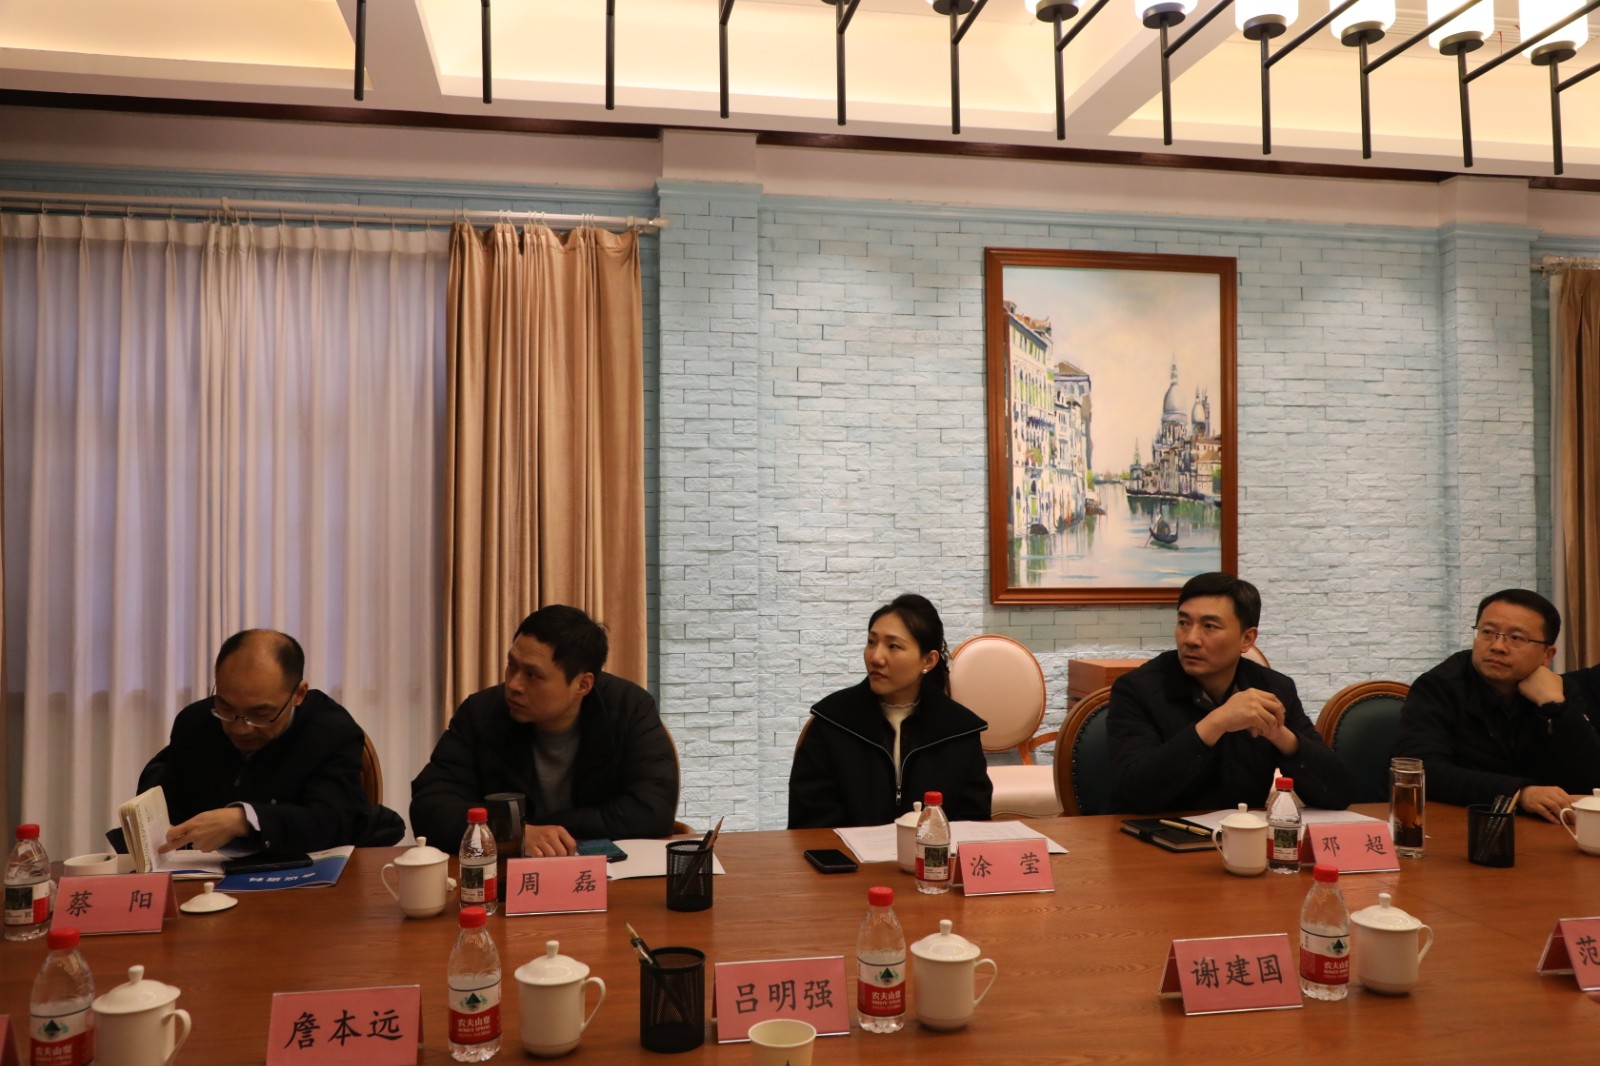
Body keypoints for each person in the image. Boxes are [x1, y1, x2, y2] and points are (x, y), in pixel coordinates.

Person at [410, 605, 678, 856]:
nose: (513, 685)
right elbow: (430, 806)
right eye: (512, 665)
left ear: (582, 685)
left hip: (605, 872)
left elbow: (653, 810)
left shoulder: (629, 709)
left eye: (532, 675)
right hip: (506, 874)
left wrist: (545, 828)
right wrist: (516, 833)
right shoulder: (481, 713)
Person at [139, 629, 403, 855]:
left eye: (260, 714)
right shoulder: (195, 722)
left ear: (298, 694)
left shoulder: (331, 731)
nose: (240, 728)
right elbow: (169, 807)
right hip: (205, 881)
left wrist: (243, 820)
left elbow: (331, 820)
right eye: (226, 708)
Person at [1107, 572, 1350, 814]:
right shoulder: (1137, 689)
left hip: (1242, 835)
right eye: (1183, 623)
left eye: (1209, 626)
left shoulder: (1274, 688)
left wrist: (1280, 735)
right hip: (1154, 834)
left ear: (1247, 639)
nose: (1191, 639)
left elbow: (1339, 794)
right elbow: (1133, 793)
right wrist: (1217, 722)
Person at [1394, 588, 1600, 822]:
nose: (1498, 646)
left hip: (1536, 831)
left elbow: (1593, 780)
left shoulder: (1559, 692)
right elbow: (1423, 771)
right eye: (1488, 632)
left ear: (1547, 655)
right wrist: (1519, 794)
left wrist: (1555, 707)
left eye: (1516, 638)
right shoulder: (1439, 686)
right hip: (1449, 825)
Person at [787, 593, 992, 829]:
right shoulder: (832, 722)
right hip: (845, 853)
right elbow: (810, 824)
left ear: (928, 661)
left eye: (893, 646)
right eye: (871, 642)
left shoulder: (958, 731)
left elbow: (973, 824)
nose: (876, 657)